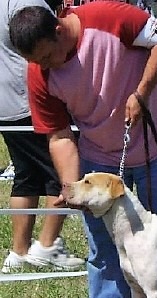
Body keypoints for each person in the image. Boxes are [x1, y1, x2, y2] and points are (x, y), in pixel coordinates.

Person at [9, 2, 157, 298]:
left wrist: (142, 91)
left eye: (48, 56)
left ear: (58, 30)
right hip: (99, 157)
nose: (45, 66)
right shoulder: (39, 73)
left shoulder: (110, 17)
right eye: (37, 61)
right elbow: (58, 137)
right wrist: (72, 189)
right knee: (103, 248)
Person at [0, 0, 84, 274]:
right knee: (55, 173)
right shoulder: (29, 6)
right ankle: (47, 247)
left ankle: (18, 251)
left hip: (5, 103)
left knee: (26, 176)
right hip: (31, 98)